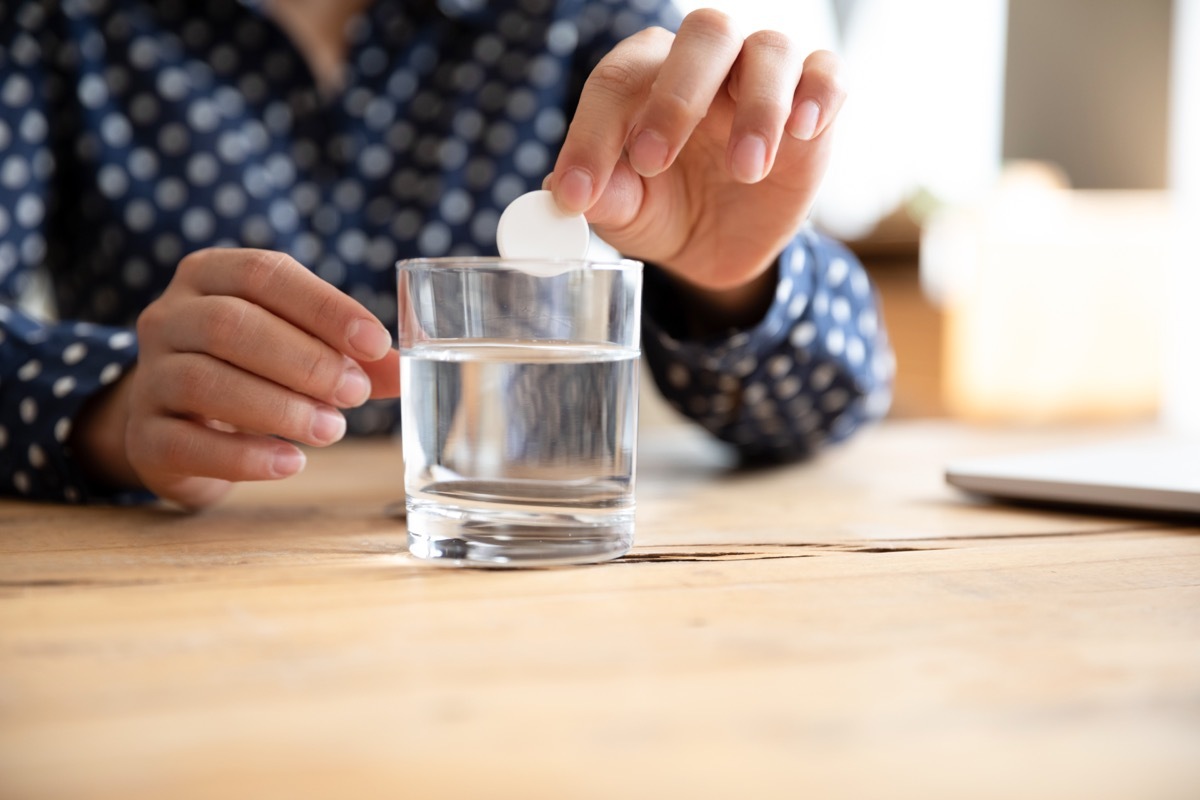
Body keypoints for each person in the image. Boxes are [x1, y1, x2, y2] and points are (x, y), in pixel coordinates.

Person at [0, 0, 894, 509]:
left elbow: (832, 399)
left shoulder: (586, 21)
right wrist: (106, 410)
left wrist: (727, 277)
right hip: (170, 576)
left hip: (529, 596)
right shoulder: (54, 20)